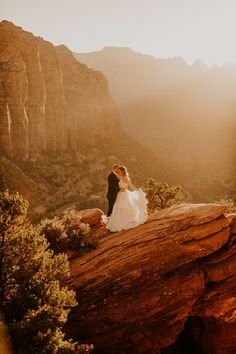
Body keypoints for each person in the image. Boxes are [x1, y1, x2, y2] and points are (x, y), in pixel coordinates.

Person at [103, 165, 148, 232]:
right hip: (120, 195)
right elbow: (118, 186)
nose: (118, 172)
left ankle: (126, 221)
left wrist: (136, 189)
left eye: (119, 171)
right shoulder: (120, 177)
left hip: (124, 195)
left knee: (125, 207)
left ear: (122, 171)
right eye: (118, 171)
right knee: (117, 208)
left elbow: (130, 185)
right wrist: (120, 189)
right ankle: (117, 222)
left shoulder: (125, 178)